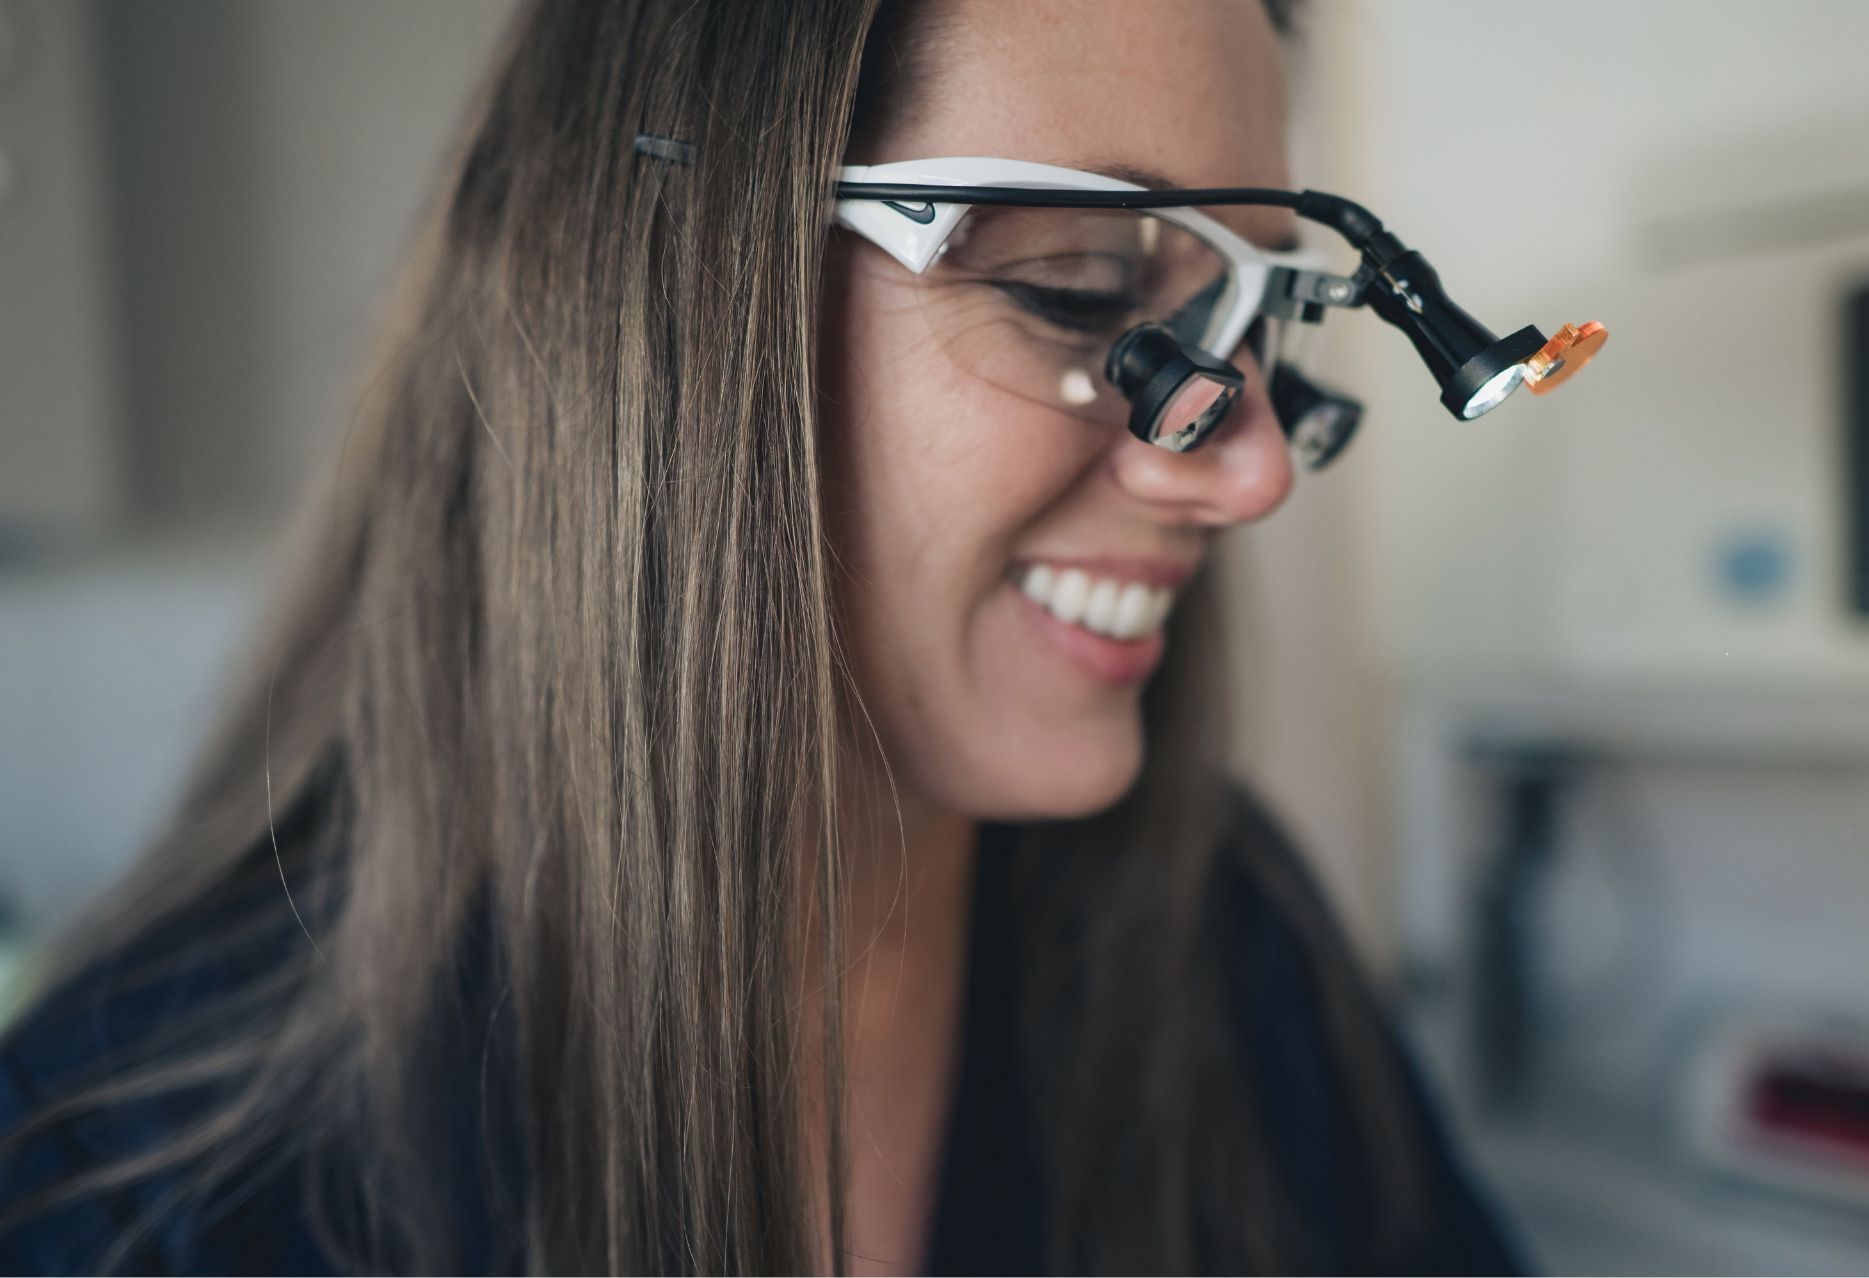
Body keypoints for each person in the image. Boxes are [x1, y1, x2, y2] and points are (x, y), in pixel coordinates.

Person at [0, 0, 1527, 1272]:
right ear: (668, 298)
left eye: (1257, 321)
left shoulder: (1225, 949)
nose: (1250, 466)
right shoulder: (127, 1190)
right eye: (1082, 293)